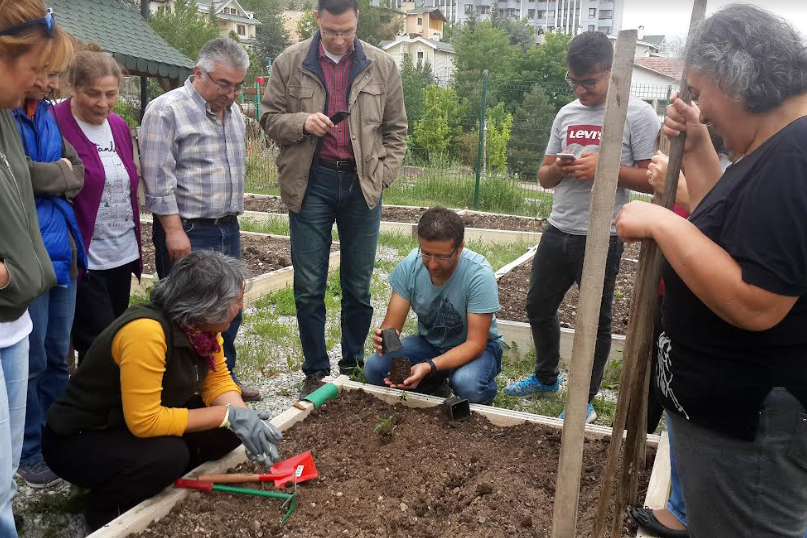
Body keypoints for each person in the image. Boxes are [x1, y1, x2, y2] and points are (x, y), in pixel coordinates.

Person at [615, 5, 807, 536]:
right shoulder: (775, 147)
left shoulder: (795, 156)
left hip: (754, 433)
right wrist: (699, 145)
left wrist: (661, 223)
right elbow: (724, 234)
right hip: (736, 427)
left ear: (733, 79)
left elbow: (758, 302)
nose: (697, 104)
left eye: (700, 91)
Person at [43, 251, 283, 531]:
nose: (241, 305)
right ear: (206, 307)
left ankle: (158, 480)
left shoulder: (202, 330)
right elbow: (145, 422)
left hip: (124, 423)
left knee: (226, 434)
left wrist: (242, 417)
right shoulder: (146, 333)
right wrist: (227, 415)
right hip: (81, 438)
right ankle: (106, 510)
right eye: (236, 300)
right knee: (168, 456)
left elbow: (216, 382)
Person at [503, 31, 659, 423]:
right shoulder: (566, 114)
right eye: (573, 80)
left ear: (612, 71)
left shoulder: (636, 114)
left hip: (602, 235)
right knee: (538, 306)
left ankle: (585, 397)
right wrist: (558, 168)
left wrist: (604, 170)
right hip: (559, 229)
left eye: (589, 81)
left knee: (596, 320)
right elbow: (543, 176)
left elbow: (650, 179)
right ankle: (545, 377)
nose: (581, 89)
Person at [260, 0, 407, 398]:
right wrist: (301, 123)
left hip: (362, 186)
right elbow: (268, 117)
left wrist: (382, 175)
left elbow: (397, 131)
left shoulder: (382, 65)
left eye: (347, 31)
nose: (340, 39)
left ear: (357, 20)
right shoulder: (291, 62)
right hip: (312, 183)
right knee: (309, 285)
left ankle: (354, 363)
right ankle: (315, 369)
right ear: (317, 21)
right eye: (331, 32)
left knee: (357, 284)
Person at [140, 37, 259, 402]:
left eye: (238, 85)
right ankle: (185, 389)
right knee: (191, 315)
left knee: (229, 311)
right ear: (198, 72)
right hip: (189, 229)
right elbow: (158, 179)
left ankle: (224, 382)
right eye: (224, 84)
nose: (232, 93)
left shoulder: (234, 113)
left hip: (227, 225)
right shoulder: (166, 111)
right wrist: (173, 232)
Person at [12, 29, 84, 490]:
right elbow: (18, 175)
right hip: (28, 254)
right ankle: (29, 451)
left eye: (56, 74)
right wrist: (51, 173)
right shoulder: (7, 116)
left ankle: (59, 441)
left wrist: (50, 174)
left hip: (63, 253)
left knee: (59, 354)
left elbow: (75, 172)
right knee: (32, 361)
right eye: (46, 73)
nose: (52, 83)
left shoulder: (48, 117)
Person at [0, 1, 60, 535]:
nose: (41, 83)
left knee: (2, 475)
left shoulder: (5, 120)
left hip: (12, 316)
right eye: (36, 69)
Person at [53, 44, 142, 363]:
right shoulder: (55, 122)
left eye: (111, 94)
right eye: (93, 93)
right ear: (73, 87)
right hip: (85, 257)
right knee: (99, 345)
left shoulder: (117, 126)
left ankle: (103, 406)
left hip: (121, 253)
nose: (103, 103)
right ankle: (97, 408)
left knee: (115, 337)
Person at [364, 207, 503, 403]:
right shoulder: (410, 266)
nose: (432, 264)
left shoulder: (479, 275)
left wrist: (429, 366)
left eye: (442, 256)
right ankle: (436, 383)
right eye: (426, 254)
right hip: (430, 344)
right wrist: (385, 340)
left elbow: (476, 344)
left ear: (460, 248)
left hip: (478, 349)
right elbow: (392, 327)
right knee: (376, 369)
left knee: (468, 385)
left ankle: (474, 388)